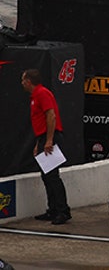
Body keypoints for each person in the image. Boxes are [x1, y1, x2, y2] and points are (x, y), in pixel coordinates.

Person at [22, 68, 70, 225]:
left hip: (51, 136)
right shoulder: (35, 96)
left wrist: (49, 140)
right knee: (46, 176)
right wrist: (39, 143)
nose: (22, 83)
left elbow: (51, 115)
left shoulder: (42, 93)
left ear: (29, 81)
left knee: (52, 176)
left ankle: (63, 211)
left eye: (23, 80)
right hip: (44, 137)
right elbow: (42, 121)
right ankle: (53, 209)